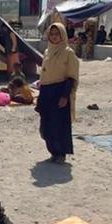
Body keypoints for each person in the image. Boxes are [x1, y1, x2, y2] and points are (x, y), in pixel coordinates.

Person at [36, 23, 80, 164]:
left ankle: (61, 153)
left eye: (57, 34)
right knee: (46, 124)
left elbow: (71, 76)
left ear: (62, 35)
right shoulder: (47, 52)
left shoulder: (68, 53)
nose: (54, 37)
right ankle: (53, 152)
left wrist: (65, 96)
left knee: (59, 125)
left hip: (60, 91)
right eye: (52, 34)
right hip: (46, 92)